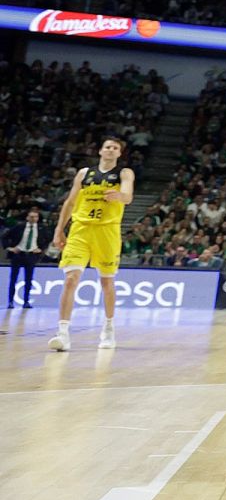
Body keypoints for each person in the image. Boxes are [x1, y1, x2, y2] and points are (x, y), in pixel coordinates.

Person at [48, 137, 135, 352]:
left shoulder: (124, 173)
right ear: (100, 150)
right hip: (80, 230)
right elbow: (70, 203)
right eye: (107, 146)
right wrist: (59, 230)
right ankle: (63, 333)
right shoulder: (84, 174)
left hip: (107, 231)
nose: (110, 150)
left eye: (115, 148)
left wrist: (120, 196)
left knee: (106, 282)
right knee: (70, 279)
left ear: (119, 154)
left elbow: (128, 196)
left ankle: (108, 328)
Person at [7, 205, 50, 307]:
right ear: (27, 217)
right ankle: (10, 301)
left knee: (29, 279)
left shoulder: (41, 228)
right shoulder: (19, 227)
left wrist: (40, 249)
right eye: (31, 217)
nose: (33, 219)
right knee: (13, 278)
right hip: (18, 254)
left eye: (35, 217)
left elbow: (47, 239)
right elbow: (5, 236)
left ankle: (26, 301)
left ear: (38, 218)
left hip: (30, 256)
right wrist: (10, 247)